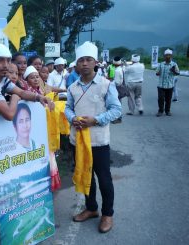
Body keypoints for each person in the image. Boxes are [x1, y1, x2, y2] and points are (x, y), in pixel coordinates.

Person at [0, 43, 54, 240]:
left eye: (8, 60)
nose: (6, 65)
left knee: (7, 184)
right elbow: (9, 114)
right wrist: (16, 96)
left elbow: (21, 91)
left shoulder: (1, 80)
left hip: (1, 145)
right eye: (0, 60)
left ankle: (5, 224)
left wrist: (37, 97)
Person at [64, 41, 122, 233]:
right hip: (78, 140)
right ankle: (91, 208)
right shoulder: (72, 87)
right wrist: (73, 119)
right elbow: (67, 108)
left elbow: (116, 110)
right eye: (81, 60)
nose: (85, 64)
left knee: (104, 179)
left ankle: (107, 214)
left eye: (88, 60)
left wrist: (95, 120)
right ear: (77, 64)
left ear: (95, 62)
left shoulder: (106, 85)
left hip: (98, 141)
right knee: (85, 175)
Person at [155, 49, 180, 116]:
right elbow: (157, 73)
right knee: (160, 99)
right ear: (164, 56)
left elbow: (178, 73)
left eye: (169, 55)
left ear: (171, 56)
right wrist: (158, 73)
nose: (167, 57)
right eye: (166, 55)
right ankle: (160, 111)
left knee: (168, 99)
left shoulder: (174, 64)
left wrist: (173, 71)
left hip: (170, 85)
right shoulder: (161, 64)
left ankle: (167, 111)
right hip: (161, 85)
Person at [111, 56, 124, 124]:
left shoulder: (117, 71)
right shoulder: (120, 69)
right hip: (119, 87)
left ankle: (118, 118)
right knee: (118, 103)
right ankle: (118, 117)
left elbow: (117, 82)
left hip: (116, 88)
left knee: (116, 104)